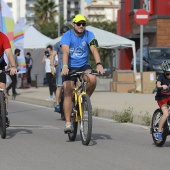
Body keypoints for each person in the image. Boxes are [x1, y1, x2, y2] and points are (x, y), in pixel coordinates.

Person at [51, 14, 105, 133]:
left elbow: (94, 49)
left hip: (83, 65)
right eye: (79, 24)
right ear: (73, 24)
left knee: (93, 79)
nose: (81, 26)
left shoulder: (89, 34)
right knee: (68, 90)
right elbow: (65, 51)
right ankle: (68, 123)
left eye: (83, 24)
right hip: (69, 66)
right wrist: (64, 66)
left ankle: (84, 100)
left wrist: (99, 64)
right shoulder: (67, 35)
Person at [0, 31, 18, 126]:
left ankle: (4, 113)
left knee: (3, 88)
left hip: (0, 66)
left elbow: (9, 53)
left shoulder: (3, 37)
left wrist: (13, 66)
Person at [53, 26, 70, 113]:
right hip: (60, 67)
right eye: (63, 33)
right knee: (60, 86)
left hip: (70, 66)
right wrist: (52, 67)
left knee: (76, 84)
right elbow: (52, 56)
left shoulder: (71, 43)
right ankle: (57, 104)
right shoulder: (58, 44)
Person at [154, 60, 170, 141]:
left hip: (169, 97)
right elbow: (158, 83)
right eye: (167, 73)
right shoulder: (161, 77)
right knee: (166, 114)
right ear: (164, 72)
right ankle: (159, 131)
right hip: (162, 98)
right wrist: (161, 86)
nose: (169, 75)